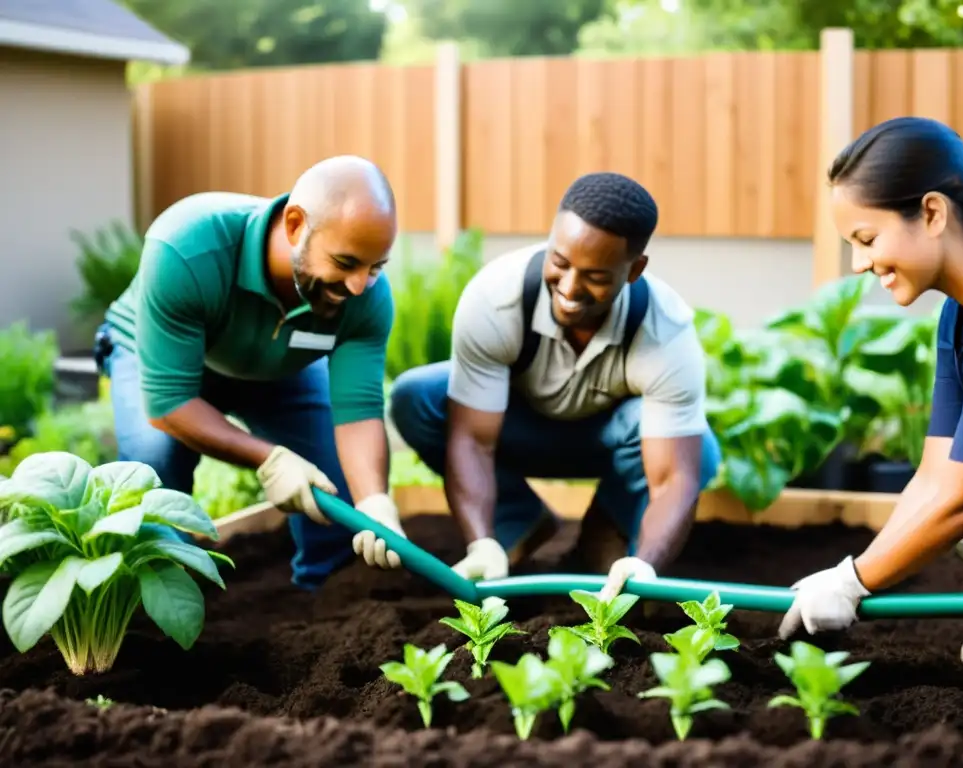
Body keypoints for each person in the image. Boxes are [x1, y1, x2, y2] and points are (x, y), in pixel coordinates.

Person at [372, 171, 722, 602]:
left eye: (595, 276)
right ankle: (517, 524)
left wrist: (647, 562)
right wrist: (480, 541)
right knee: (416, 397)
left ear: (634, 270)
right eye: (560, 262)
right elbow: (472, 440)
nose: (570, 288)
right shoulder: (497, 299)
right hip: (518, 429)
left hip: (612, 443)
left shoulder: (664, 330)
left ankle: (610, 537)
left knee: (696, 448)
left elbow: (672, 480)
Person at [778, 115, 963, 671]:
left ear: (932, 213)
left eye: (866, 240)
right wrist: (854, 572)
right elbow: (934, 478)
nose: (860, 263)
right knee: (956, 493)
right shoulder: (960, 318)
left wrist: (854, 582)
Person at [96, 155, 406, 591]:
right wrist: (269, 458)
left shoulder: (366, 299)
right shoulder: (189, 245)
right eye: (346, 262)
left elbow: (358, 412)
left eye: (375, 268)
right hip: (159, 356)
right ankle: (163, 592)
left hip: (275, 369)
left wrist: (374, 499)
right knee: (157, 465)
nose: (358, 286)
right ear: (295, 226)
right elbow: (169, 403)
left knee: (337, 487)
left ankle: (328, 596)